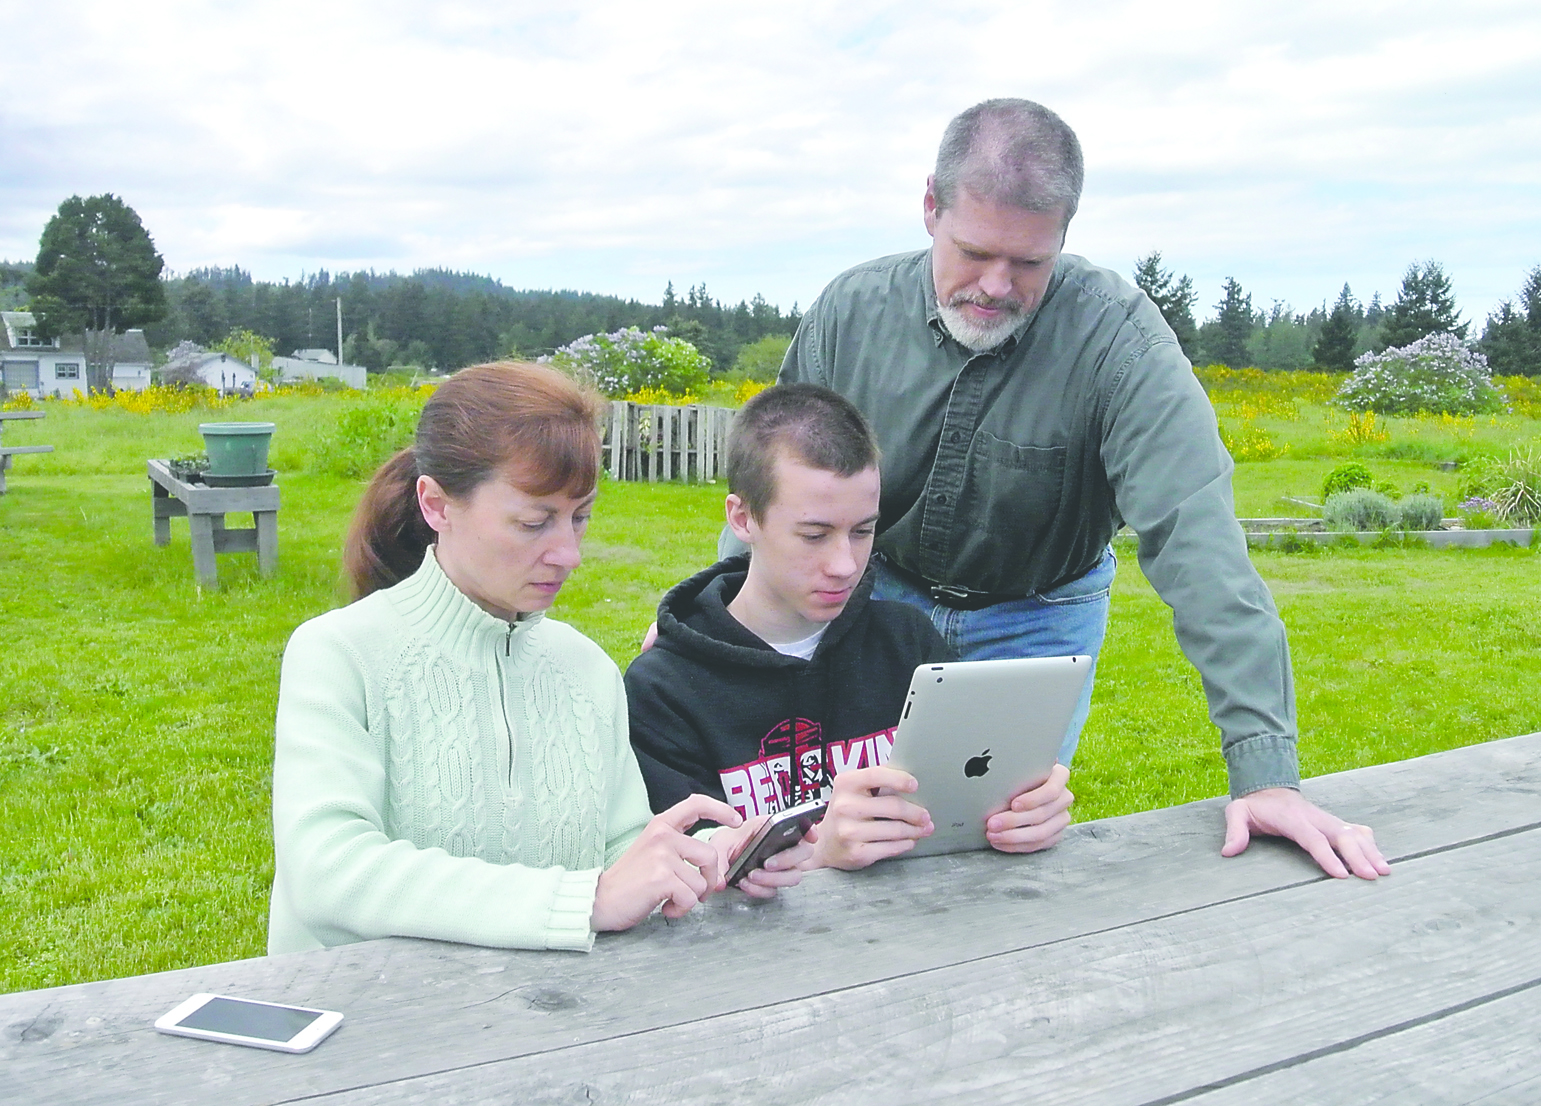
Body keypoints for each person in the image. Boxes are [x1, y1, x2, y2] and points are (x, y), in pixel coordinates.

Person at [773, 98, 1389, 880]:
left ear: (1065, 233)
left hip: (1037, 616)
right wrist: (721, 610)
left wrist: (1266, 776)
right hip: (876, 597)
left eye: (1028, 263)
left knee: (990, 839)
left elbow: (1197, 545)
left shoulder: (1120, 343)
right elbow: (776, 490)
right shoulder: (848, 315)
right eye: (972, 252)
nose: (994, 286)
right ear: (930, 206)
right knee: (841, 828)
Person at [267, 362, 803, 956]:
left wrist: (695, 859)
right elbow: (328, 873)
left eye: (580, 518)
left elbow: (617, 849)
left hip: (548, 1024)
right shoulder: (338, 655)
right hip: (366, 1026)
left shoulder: (586, 669)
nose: (568, 553)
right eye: (533, 522)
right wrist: (582, 901)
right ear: (436, 505)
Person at [626, 383, 1077, 870]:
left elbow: (973, 797)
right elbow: (682, 877)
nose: (844, 564)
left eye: (863, 531)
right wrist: (820, 855)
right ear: (742, 518)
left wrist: (1026, 810)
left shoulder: (910, 644)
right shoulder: (664, 690)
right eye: (814, 535)